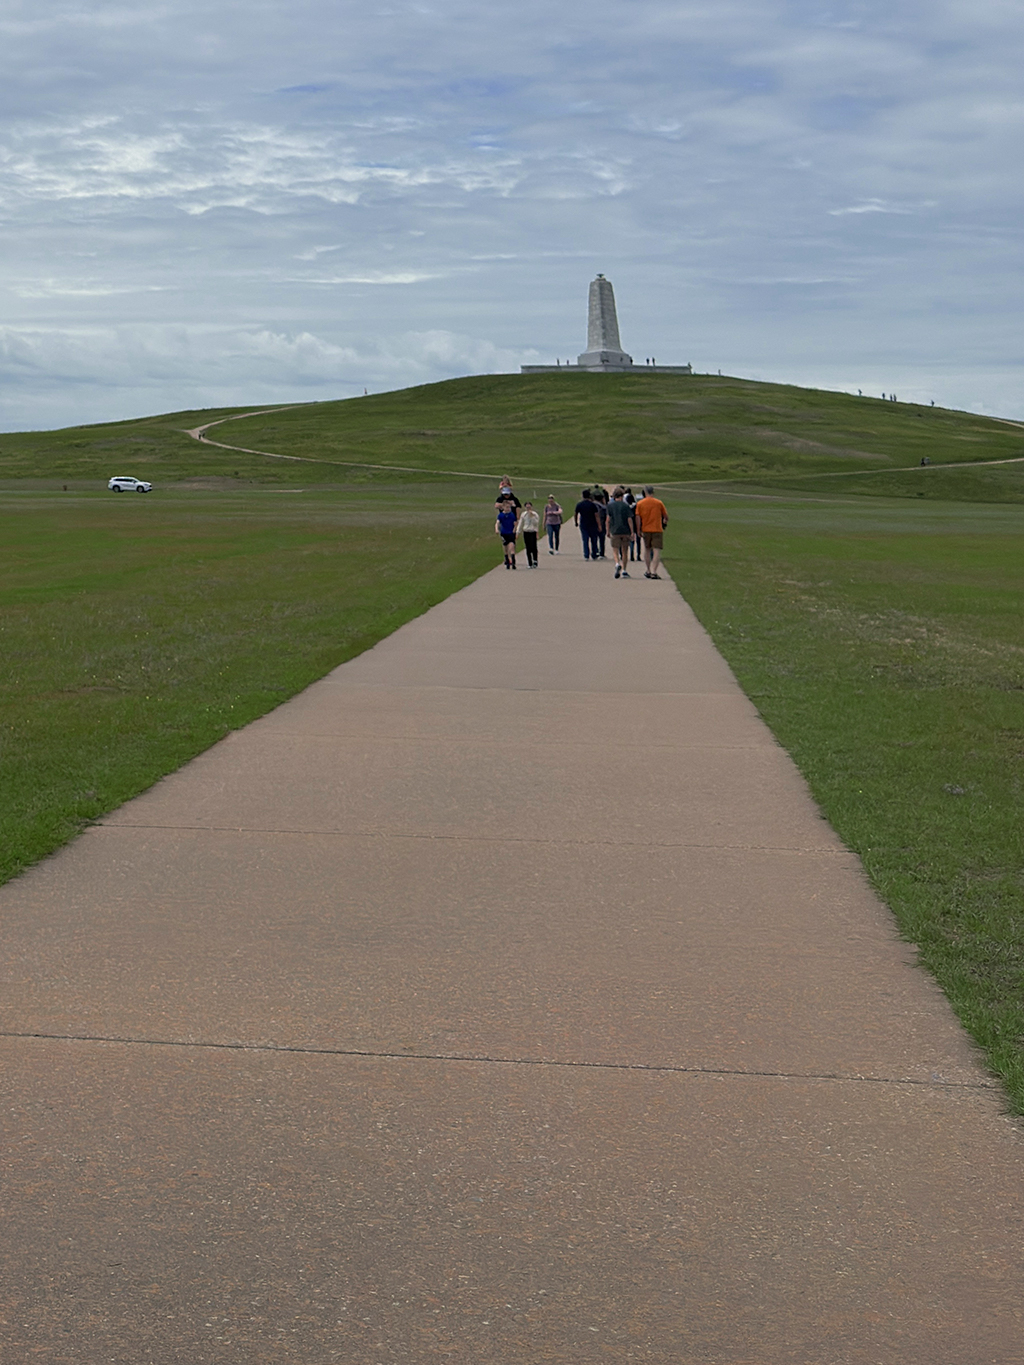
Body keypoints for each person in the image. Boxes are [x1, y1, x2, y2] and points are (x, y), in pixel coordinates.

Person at [634, 484, 668, 579]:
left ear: (645, 493)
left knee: (647, 549)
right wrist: (664, 521)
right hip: (657, 528)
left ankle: (648, 569)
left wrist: (638, 529)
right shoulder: (658, 503)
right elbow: (665, 516)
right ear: (653, 492)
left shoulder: (640, 504)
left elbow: (638, 518)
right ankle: (654, 571)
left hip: (646, 529)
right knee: (656, 550)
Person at [605, 487, 635, 579]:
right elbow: (629, 519)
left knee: (615, 549)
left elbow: (608, 520)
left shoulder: (610, 506)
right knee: (625, 551)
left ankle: (617, 563)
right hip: (625, 530)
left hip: (615, 530)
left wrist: (607, 531)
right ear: (622, 496)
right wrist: (632, 532)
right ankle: (624, 570)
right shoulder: (625, 506)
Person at [574, 489, 601, 561]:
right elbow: (596, 516)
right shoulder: (592, 505)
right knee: (594, 540)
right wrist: (599, 525)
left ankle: (586, 555)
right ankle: (594, 554)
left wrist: (576, 522)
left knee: (585, 540)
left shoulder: (579, 504)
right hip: (592, 524)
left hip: (583, 524)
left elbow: (576, 513)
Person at [495, 497, 518, 569]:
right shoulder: (501, 515)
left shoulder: (511, 515)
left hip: (510, 532)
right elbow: (497, 523)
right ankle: (507, 561)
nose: (508, 508)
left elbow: (515, 523)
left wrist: (515, 529)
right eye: (507, 507)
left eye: (509, 507)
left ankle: (513, 562)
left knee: (512, 547)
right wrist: (496, 529)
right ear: (503, 507)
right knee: (505, 548)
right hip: (504, 533)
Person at [518, 501, 540, 567]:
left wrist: (532, 516)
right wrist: (517, 532)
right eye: (527, 507)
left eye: (529, 507)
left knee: (533, 547)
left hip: (533, 531)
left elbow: (536, 523)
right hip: (526, 531)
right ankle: (529, 562)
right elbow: (520, 523)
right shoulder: (523, 514)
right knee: (528, 548)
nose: (528, 508)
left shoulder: (535, 514)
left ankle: (535, 561)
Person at [593, 487, 608, 559]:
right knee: (602, 539)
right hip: (602, 523)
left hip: (593, 524)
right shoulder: (603, 507)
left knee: (594, 538)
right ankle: (601, 553)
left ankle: (595, 551)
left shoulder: (592, 505)